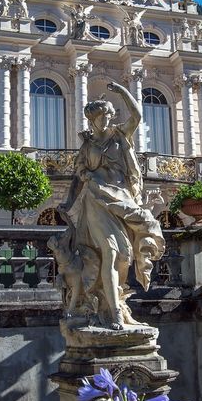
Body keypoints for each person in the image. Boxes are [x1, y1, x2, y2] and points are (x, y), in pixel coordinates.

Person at [54, 82, 164, 329]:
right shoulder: (87, 147)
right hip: (96, 200)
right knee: (111, 252)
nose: (105, 120)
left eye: (108, 116)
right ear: (92, 120)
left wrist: (123, 92)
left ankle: (115, 303)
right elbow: (76, 180)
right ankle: (114, 313)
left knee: (124, 255)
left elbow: (137, 115)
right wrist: (68, 203)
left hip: (122, 198)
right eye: (100, 117)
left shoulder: (120, 136)